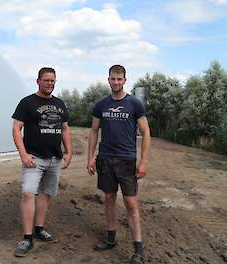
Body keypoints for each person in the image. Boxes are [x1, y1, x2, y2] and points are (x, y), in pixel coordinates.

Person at [87, 65, 151, 264]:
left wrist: (143, 162)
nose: (116, 82)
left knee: (131, 203)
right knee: (109, 198)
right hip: (105, 158)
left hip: (126, 160)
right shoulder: (101, 105)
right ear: (108, 80)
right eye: (112, 79)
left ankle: (138, 250)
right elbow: (94, 131)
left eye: (119, 79)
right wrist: (90, 157)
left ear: (125, 80)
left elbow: (146, 133)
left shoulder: (134, 104)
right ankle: (111, 237)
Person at [12, 67, 73, 257]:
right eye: (46, 80)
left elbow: (64, 130)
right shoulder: (27, 103)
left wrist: (69, 152)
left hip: (54, 158)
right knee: (28, 194)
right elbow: (16, 129)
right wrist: (23, 154)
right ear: (38, 81)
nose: (50, 83)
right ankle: (27, 238)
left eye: (53, 81)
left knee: (46, 194)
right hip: (34, 159)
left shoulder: (60, 104)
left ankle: (39, 229)